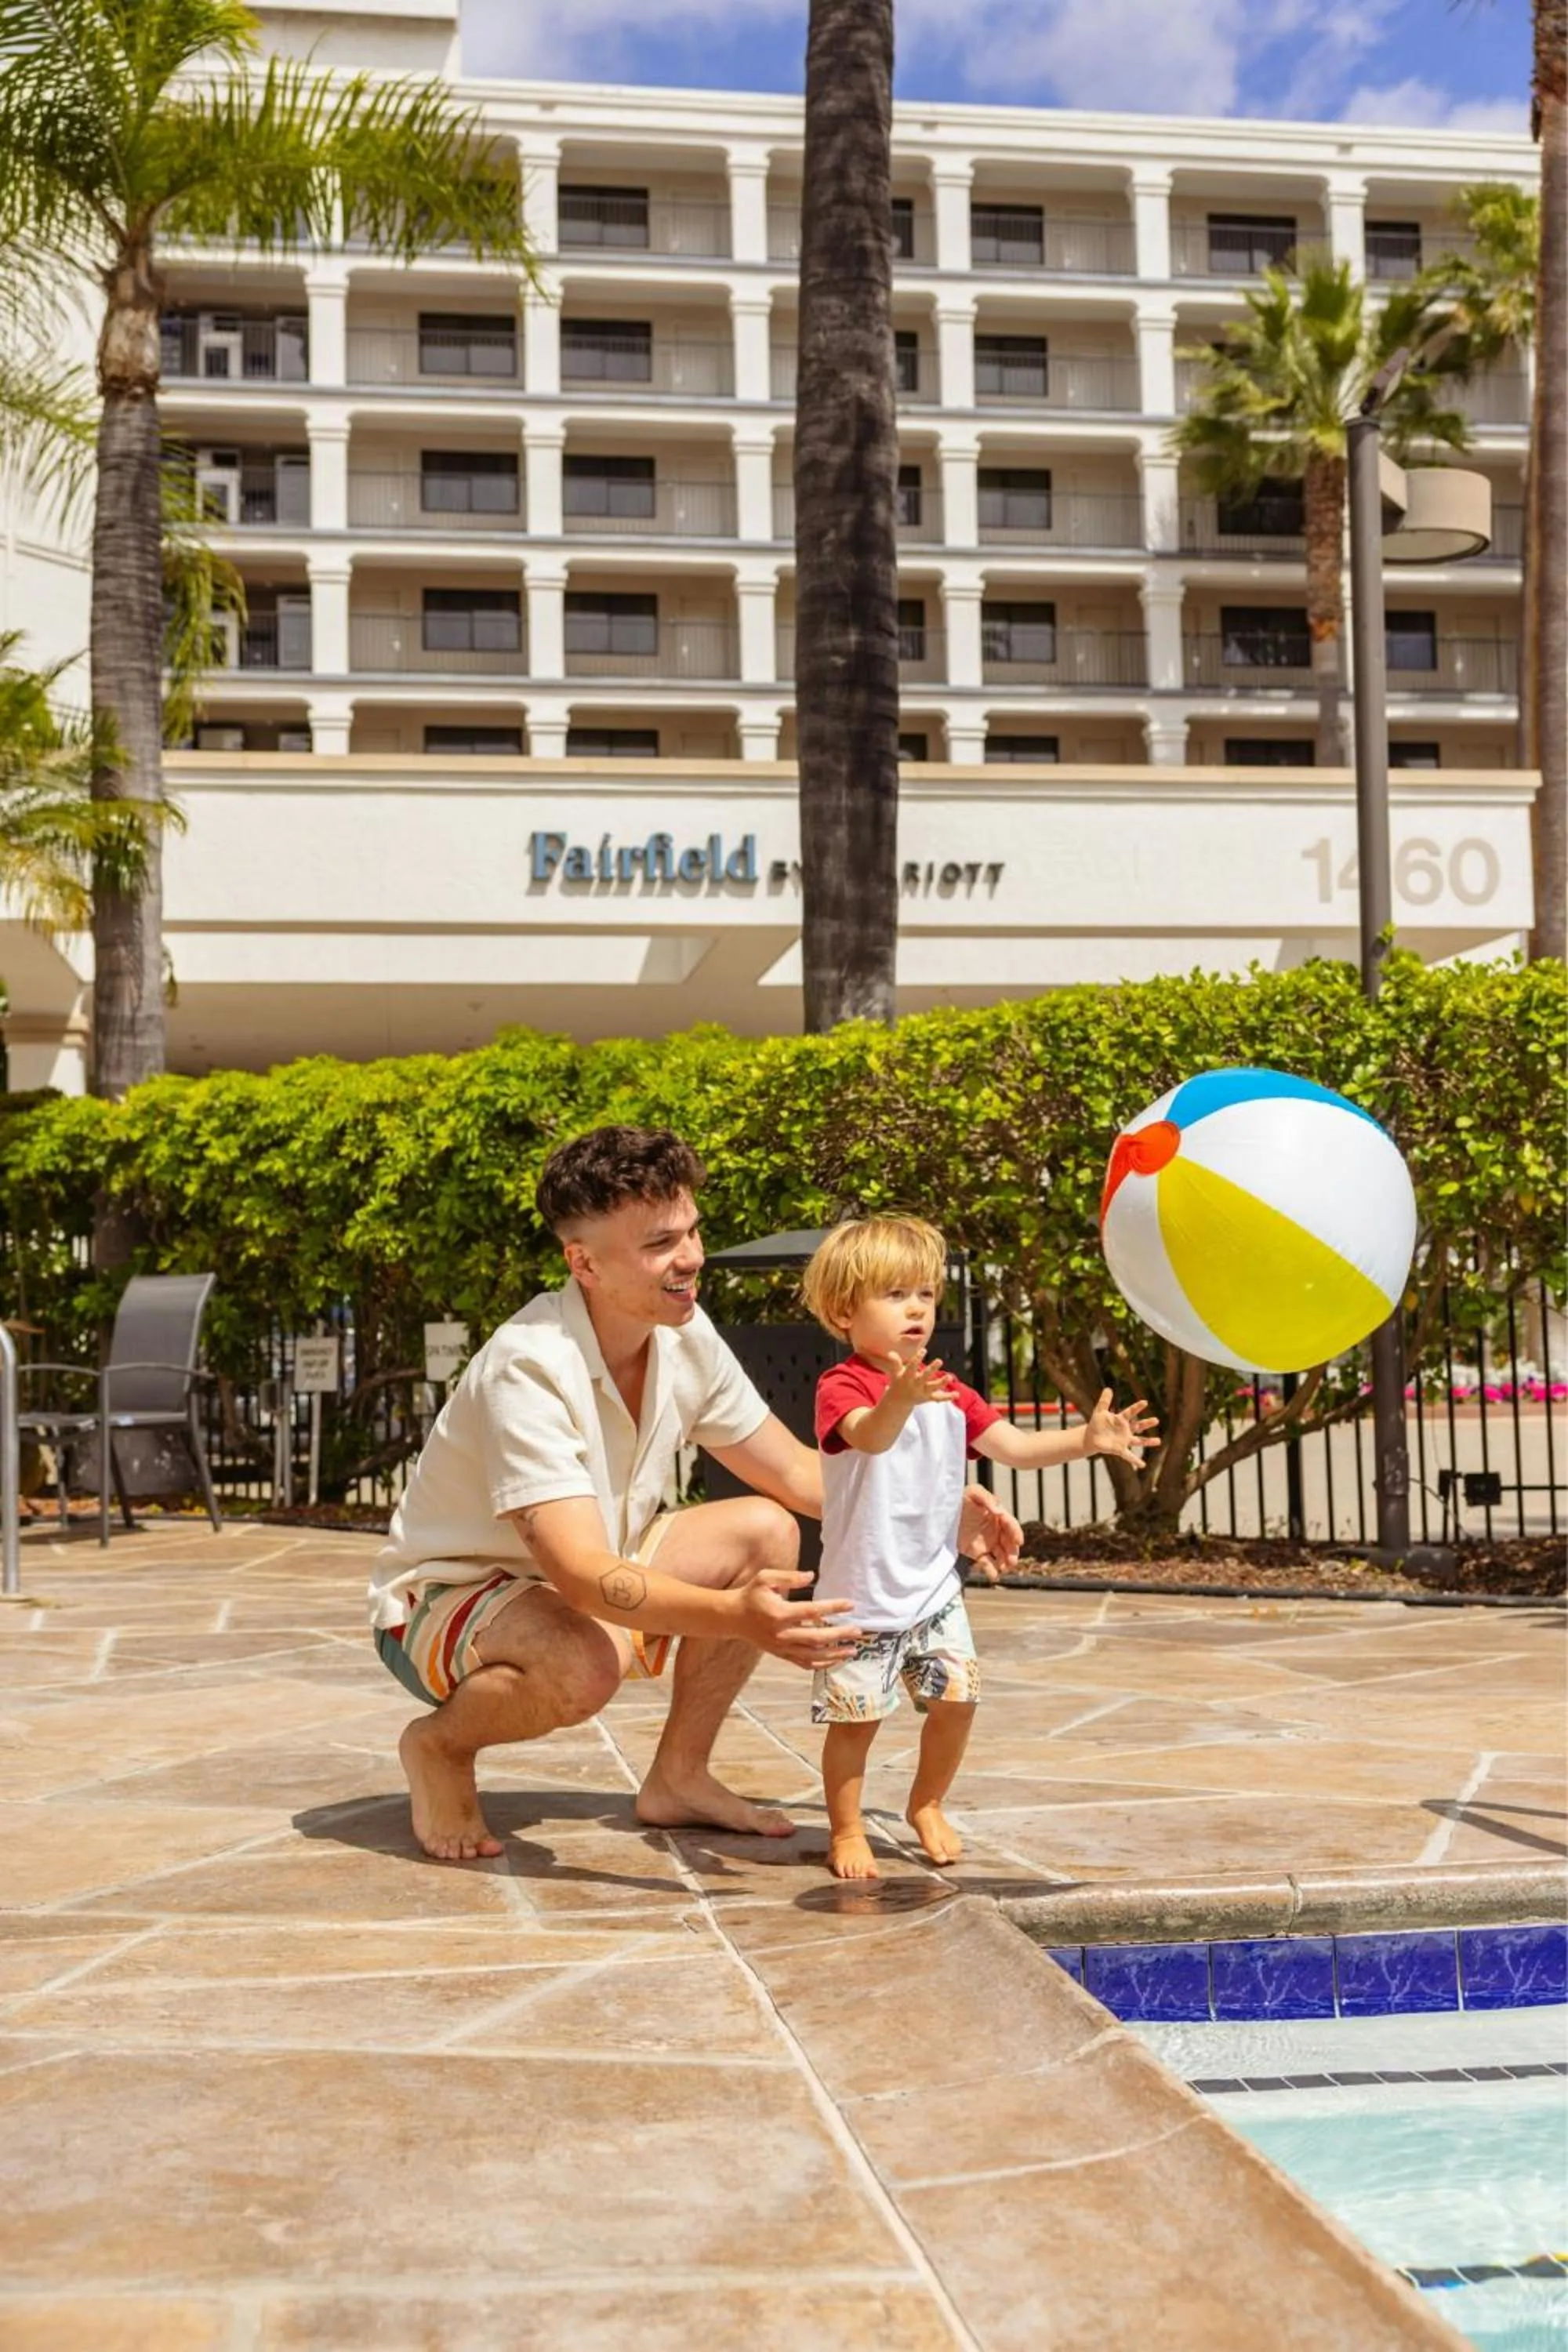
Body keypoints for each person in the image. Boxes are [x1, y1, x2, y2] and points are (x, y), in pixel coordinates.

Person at [368, 1128, 1023, 1862]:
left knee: (764, 1530)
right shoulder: (529, 1367)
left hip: (583, 1570)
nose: (691, 1259)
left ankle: (678, 1774)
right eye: (659, 1245)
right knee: (585, 1662)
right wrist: (739, 1618)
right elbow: (581, 1574)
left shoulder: (683, 1332)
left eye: (691, 1231)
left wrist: (942, 1509)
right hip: (447, 1598)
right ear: (582, 1262)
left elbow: (805, 1478)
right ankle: (440, 1747)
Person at [800, 1214, 1159, 1882]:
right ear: (843, 1310)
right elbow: (870, 1437)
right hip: (863, 1597)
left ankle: (926, 1802)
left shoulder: (948, 1391)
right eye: (894, 1295)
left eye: (925, 1295)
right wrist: (900, 1400)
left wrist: (1086, 1440)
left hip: (934, 1590)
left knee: (959, 1699)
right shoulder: (843, 1387)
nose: (916, 1309)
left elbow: (1015, 1448)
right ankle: (847, 1829)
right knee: (856, 1723)